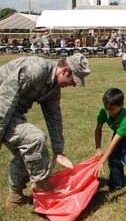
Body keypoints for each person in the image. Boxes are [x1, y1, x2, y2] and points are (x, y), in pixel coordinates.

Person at [0, 53, 91, 208]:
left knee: (27, 150)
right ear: (65, 71)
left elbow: (54, 118)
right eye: (73, 80)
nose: (74, 85)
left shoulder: (53, 88)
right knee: (35, 138)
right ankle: (41, 182)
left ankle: (15, 197)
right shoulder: (35, 70)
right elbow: (4, 101)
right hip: (2, 107)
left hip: (13, 112)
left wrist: (58, 151)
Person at [93, 88, 126, 198]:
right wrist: (98, 148)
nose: (108, 111)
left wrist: (102, 161)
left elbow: (115, 141)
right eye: (106, 107)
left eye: (111, 109)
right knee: (113, 158)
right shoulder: (103, 111)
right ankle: (116, 184)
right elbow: (98, 129)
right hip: (119, 133)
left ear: (121, 105)